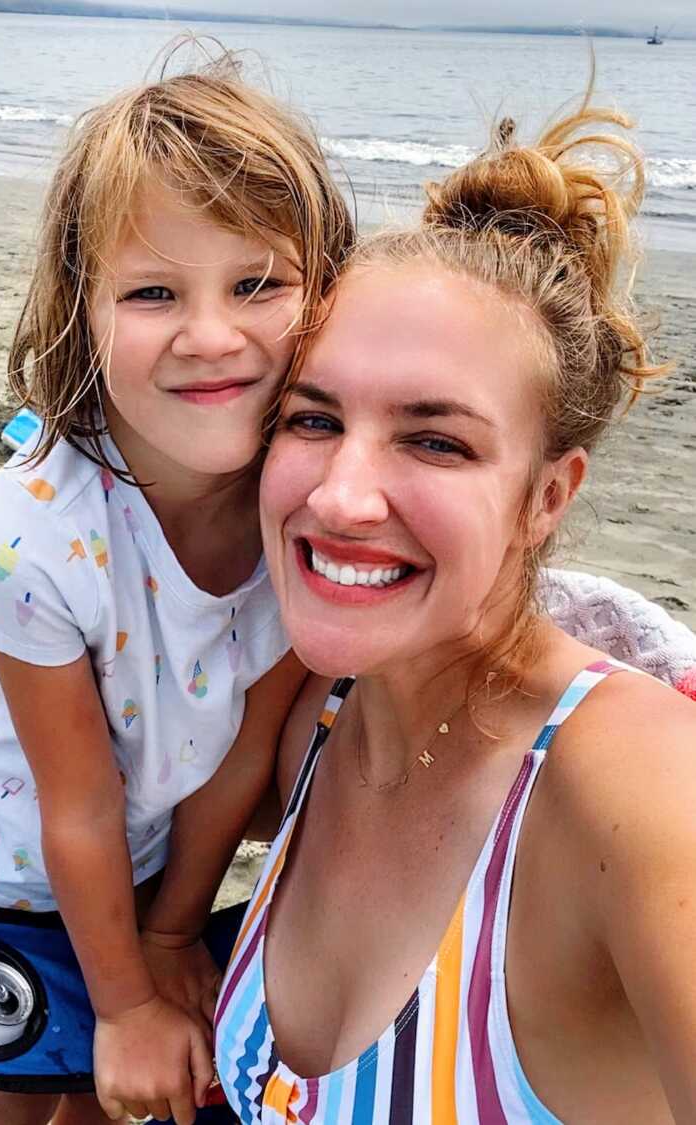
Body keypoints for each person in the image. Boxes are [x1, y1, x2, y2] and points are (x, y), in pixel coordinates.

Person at [214, 100, 696, 1121]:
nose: (342, 496)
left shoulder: (634, 788)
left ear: (546, 498)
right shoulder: (315, 717)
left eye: (436, 441)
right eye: (313, 417)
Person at [0, 53, 354, 1125]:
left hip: (151, 857)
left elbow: (249, 738)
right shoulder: (31, 529)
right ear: (83, 310)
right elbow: (76, 801)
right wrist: (121, 1000)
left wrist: (167, 934)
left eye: (259, 283)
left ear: (329, 288)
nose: (212, 336)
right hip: (8, 874)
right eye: (155, 292)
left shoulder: (306, 500)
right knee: (30, 1089)